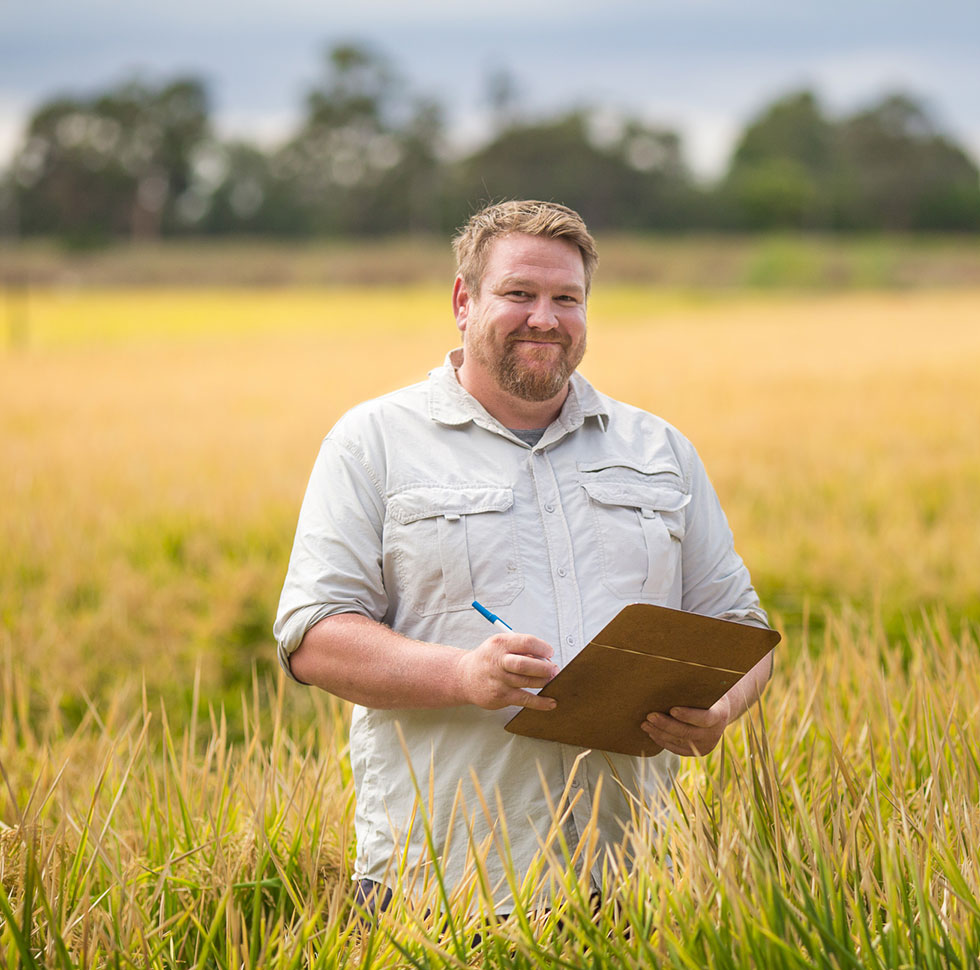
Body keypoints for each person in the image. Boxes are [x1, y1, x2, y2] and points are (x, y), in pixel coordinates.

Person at [272, 199, 772, 914]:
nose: (546, 317)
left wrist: (721, 707)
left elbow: (744, 630)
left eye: (567, 298)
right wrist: (463, 675)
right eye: (519, 294)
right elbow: (313, 638)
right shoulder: (373, 442)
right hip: (442, 887)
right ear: (463, 300)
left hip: (635, 883)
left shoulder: (658, 450)